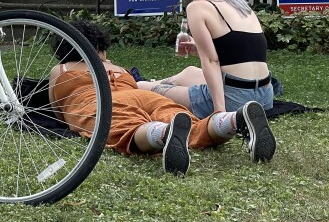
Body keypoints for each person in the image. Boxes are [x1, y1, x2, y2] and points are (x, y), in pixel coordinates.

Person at [47, 21, 276, 175]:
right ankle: (233, 120)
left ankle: (163, 133)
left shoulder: (62, 70)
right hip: (144, 96)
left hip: (98, 101)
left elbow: (58, 111)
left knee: (126, 127)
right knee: (190, 124)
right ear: (99, 47)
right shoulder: (117, 68)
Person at [136, 0, 273, 119]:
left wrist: (220, 113)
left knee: (142, 89)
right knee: (189, 72)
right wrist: (198, 48)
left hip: (234, 99)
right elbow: (242, 51)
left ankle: (146, 84)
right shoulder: (244, 9)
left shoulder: (198, 8)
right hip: (265, 96)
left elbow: (211, 61)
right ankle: (154, 81)